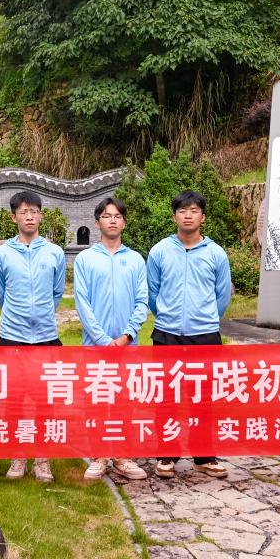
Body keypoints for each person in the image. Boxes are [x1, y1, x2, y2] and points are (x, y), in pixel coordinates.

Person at [146, 190, 233, 480]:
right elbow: (152, 292)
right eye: (182, 211)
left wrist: (205, 318)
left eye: (194, 211)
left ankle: (204, 457)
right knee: (166, 399)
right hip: (167, 335)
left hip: (205, 336)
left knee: (204, 399)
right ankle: (167, 456)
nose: (188, 215)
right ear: (174, 217)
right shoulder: (160, 251)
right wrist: (166, 315)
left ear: (202, 217)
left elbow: (222, 294)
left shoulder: (216, 253)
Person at [74, 197, 150, 481]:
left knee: (125, 402)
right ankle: (99, 456)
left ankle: (122, 457)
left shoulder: (135, 259)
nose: (113, 220)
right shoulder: (85, 259)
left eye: (118, 216)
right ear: (97, 223)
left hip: (127, 345)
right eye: (107, 216)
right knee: (96, 400)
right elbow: (82, 303)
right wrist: (103, 339)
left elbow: (142, 301)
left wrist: (127, 335)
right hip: (95, 346)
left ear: (124, 223)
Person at [0, 191, 66, 482]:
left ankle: (42, 459)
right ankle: (18, 456)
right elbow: (2, 293)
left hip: (46, 336)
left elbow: (57, 292)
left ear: (41, 216)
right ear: (14, 217)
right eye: (23, 212)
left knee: (45, 400)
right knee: (13, 400)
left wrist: (43, 314)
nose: (29, 216)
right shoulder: (3, 254)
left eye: (34, 211)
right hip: (13, 336)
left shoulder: (54, 252)